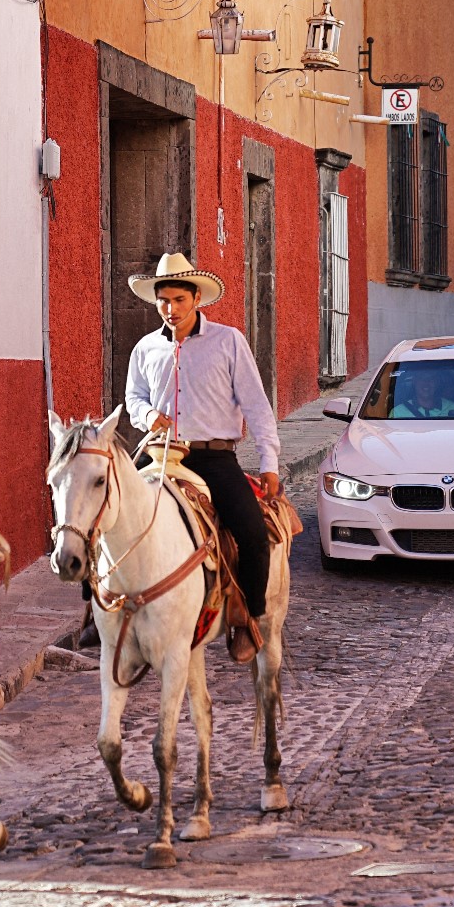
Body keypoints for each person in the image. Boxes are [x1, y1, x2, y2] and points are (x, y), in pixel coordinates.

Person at [122, 253, 283, 651]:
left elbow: (257, 406)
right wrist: (147, 414)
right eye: (163, 301)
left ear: (196, 298)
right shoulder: (144, 348)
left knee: (251, 532)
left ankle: (248, 616)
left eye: (178, 300)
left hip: (213, 458)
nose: (170, 309)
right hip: (158, 452)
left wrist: (270, 462)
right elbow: (132, 397)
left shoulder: (228, 341)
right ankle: (98, 612)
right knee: (102, 510)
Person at [390, 370, 454, 418]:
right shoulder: (397, 413)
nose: (426, 383)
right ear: (414, 382)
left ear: (437, 383)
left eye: (431, 379)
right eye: (422, 378)